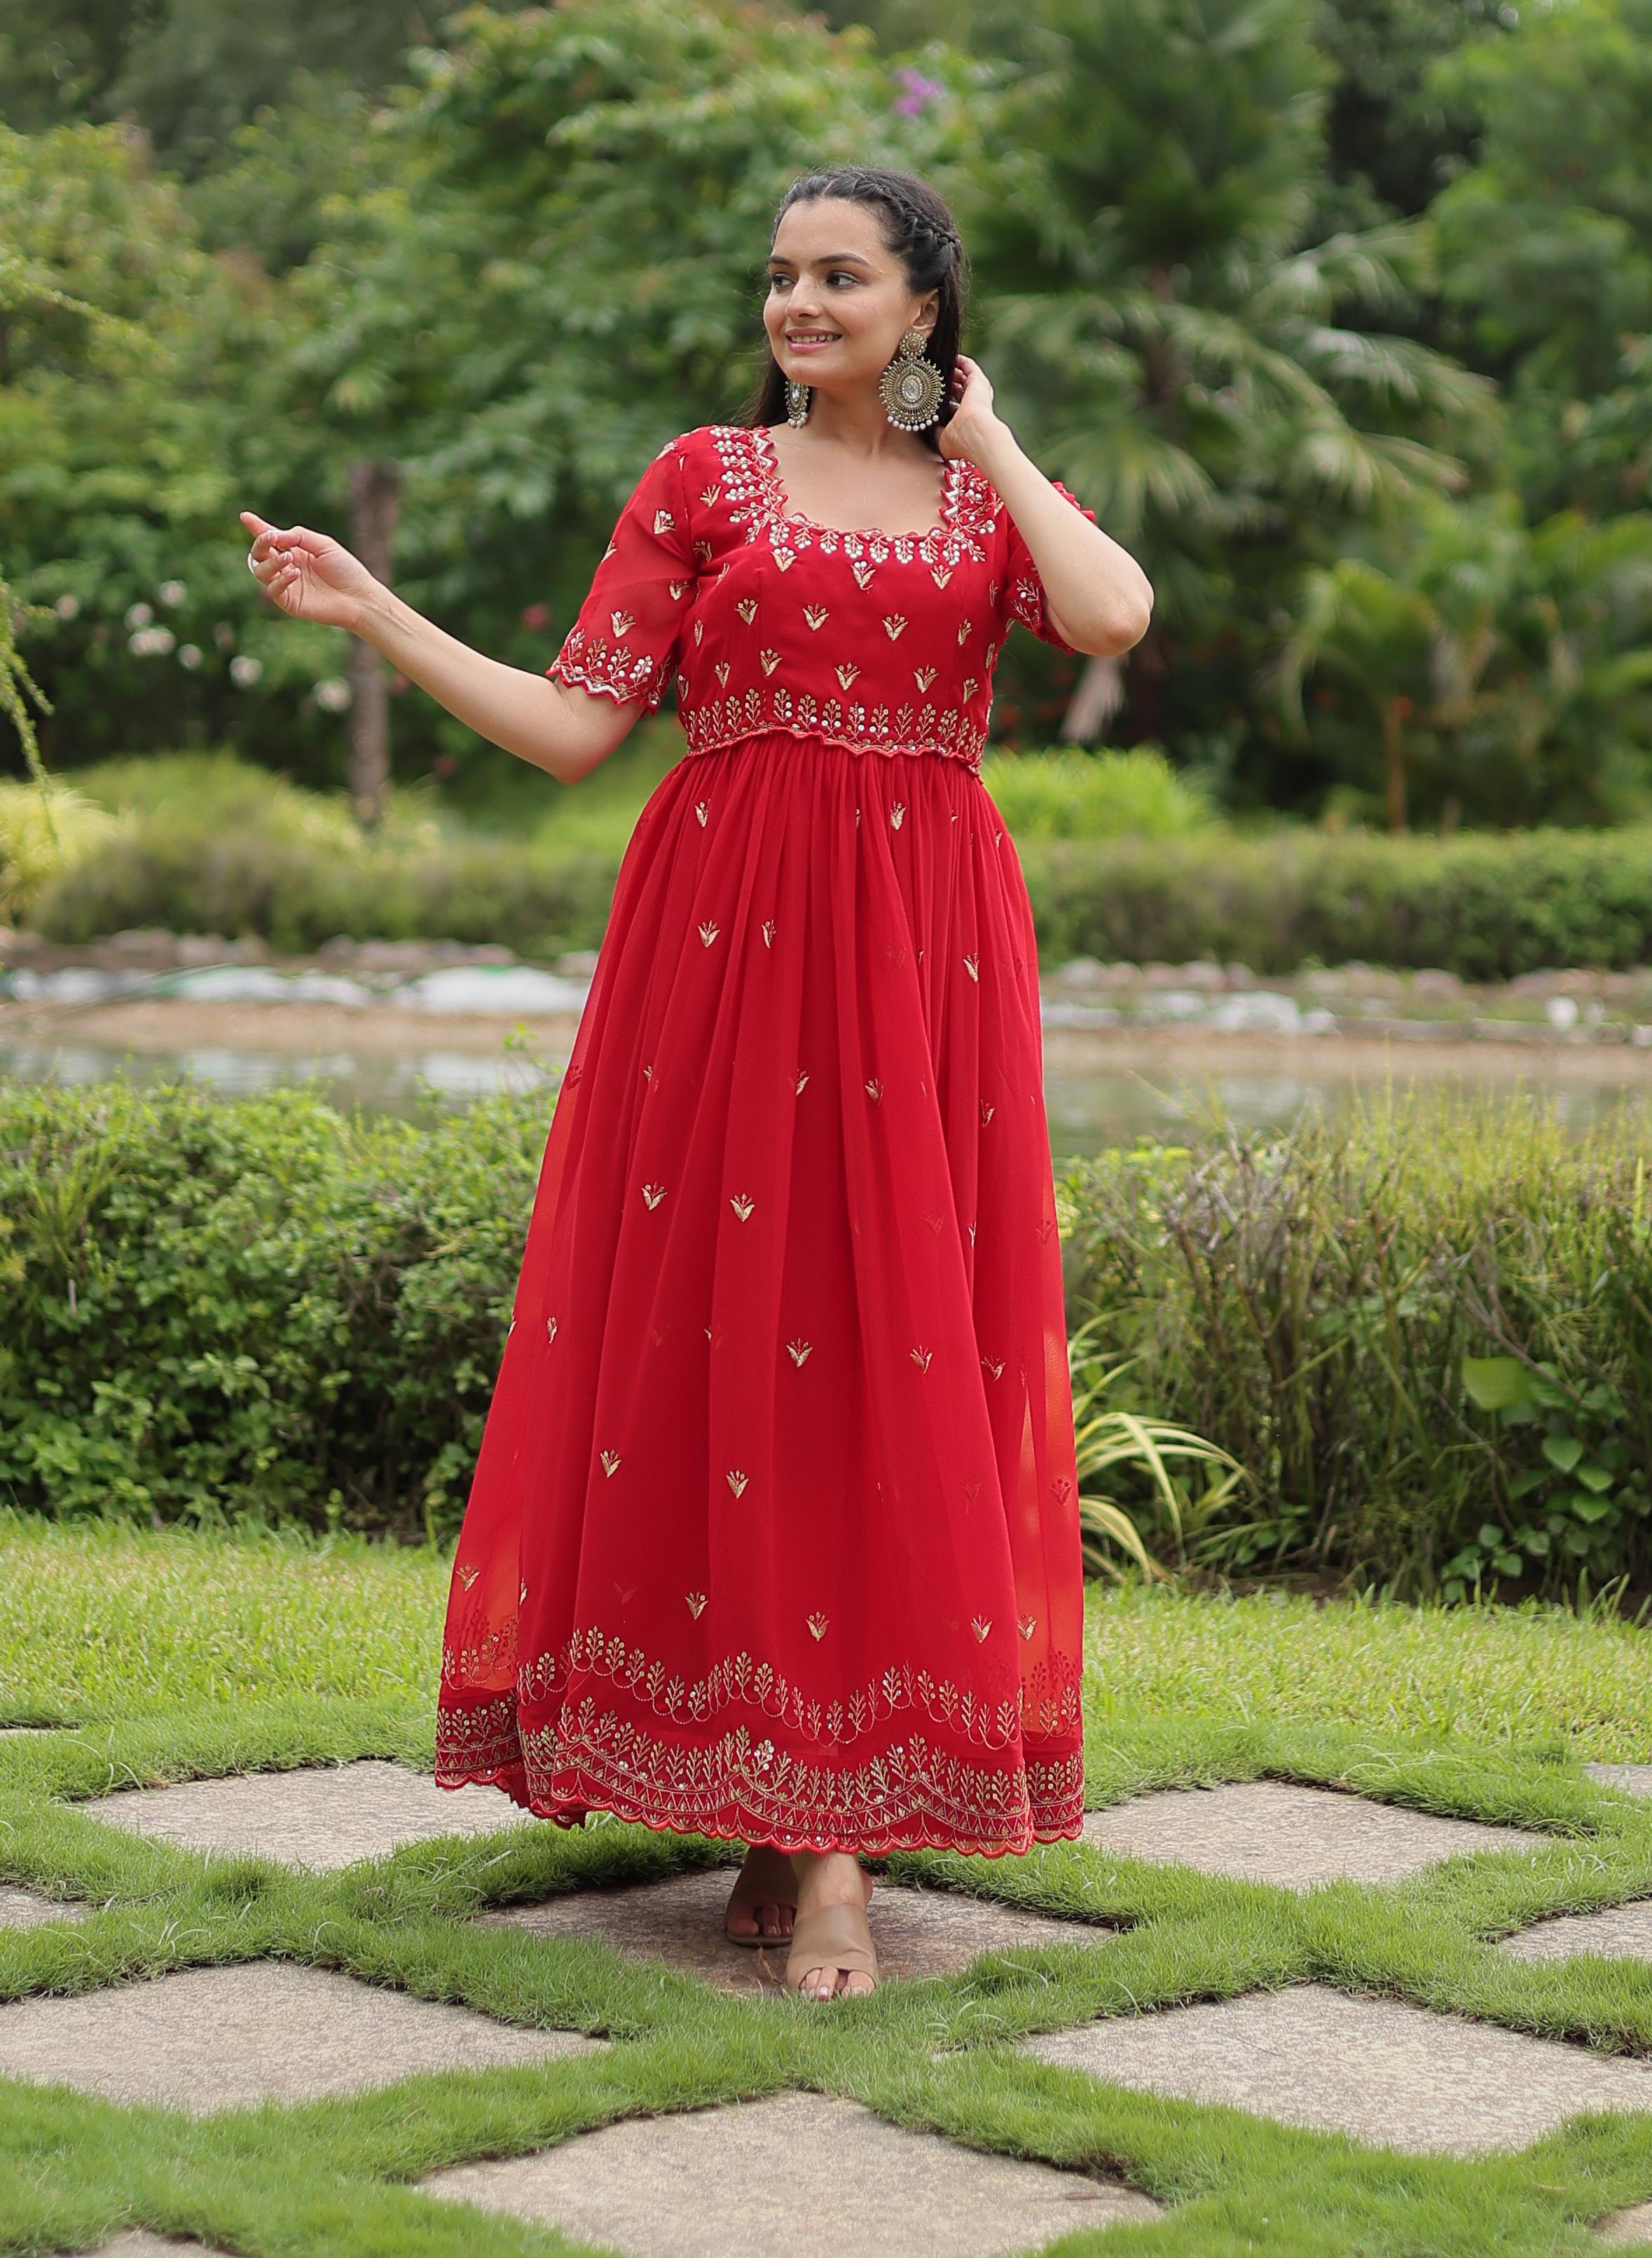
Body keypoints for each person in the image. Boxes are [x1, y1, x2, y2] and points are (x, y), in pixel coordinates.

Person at [242, 164, 1154, 1999]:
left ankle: (832, 1867)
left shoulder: (984, 494)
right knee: (744, 1344)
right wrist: (379, 618)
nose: (800, 304)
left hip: (923, 964)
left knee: (891, 1346)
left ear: (922, 307)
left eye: (842, 277)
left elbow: (1114, 615)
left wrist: (993, 436)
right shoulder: (700, 482)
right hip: (725, 956)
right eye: (782, 276)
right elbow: (580, 728)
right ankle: (777, 1807)